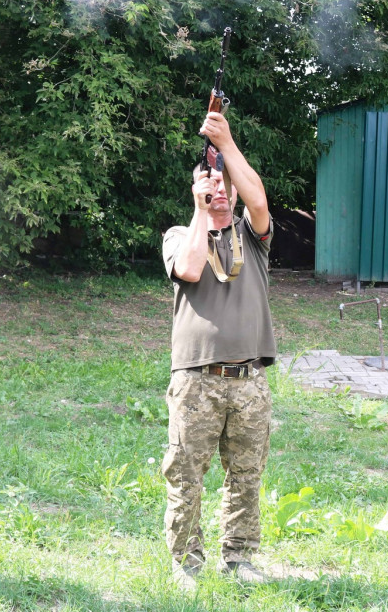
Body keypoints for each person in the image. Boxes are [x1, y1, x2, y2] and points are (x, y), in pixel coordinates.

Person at [160, 110, 276, 591]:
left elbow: (259, 197)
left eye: (224, 184)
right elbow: (189, 269)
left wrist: (226, 146)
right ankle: (186, 562)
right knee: (186, 474)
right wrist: (200, 210)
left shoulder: (252, 234)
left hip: (249, 380)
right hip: (196, 380)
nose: (220, 191)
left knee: (245, 476)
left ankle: (240, 558)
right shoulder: (179, 234)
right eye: (210, 185)